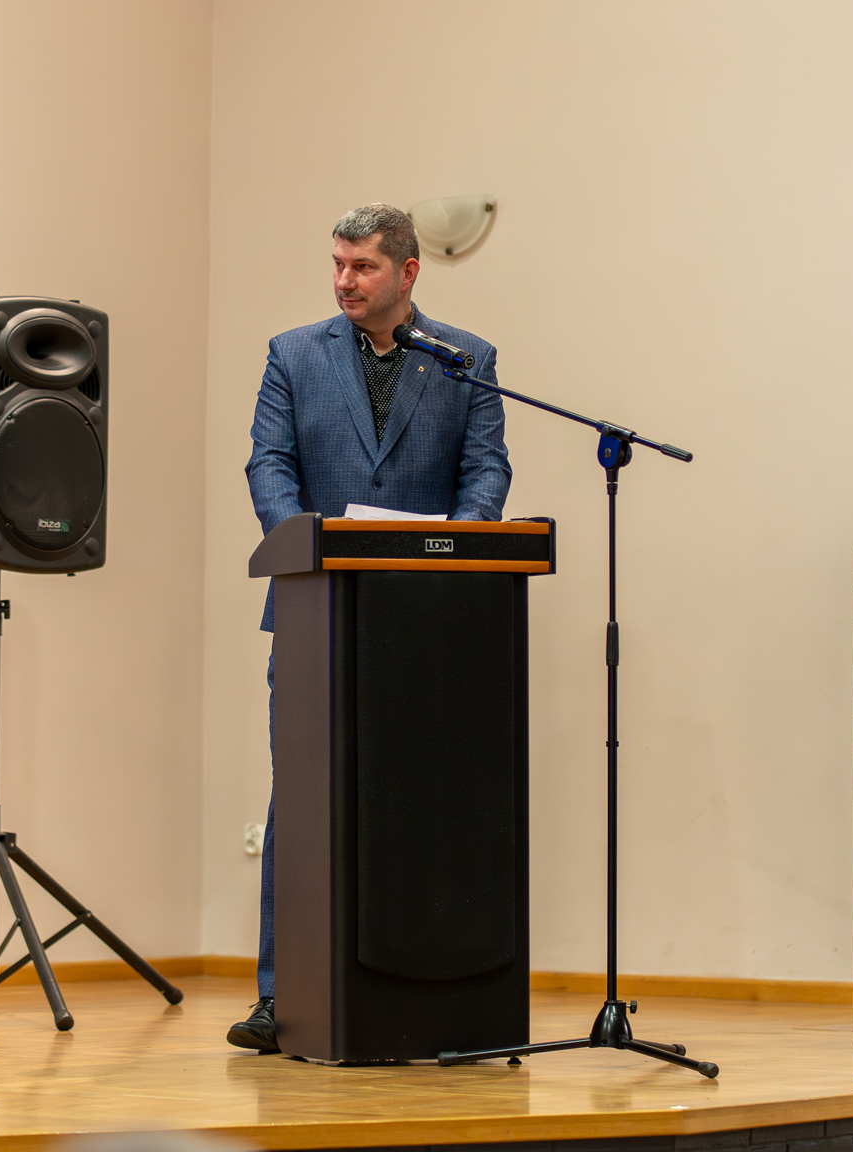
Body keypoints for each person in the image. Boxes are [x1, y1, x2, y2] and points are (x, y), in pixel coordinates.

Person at [230, 203, 511, 1051]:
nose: (344, 281)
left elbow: (485, 470)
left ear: (408, 272)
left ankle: (434, 988)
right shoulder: (293, 355)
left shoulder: (465, 359)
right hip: (316, 612)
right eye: (338, 265)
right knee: (302, 800)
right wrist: (304, 544)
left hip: (431, 621)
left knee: (427, 799)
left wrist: (454, 552)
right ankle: (282, 997)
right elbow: (268, 463)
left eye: (363, 267)